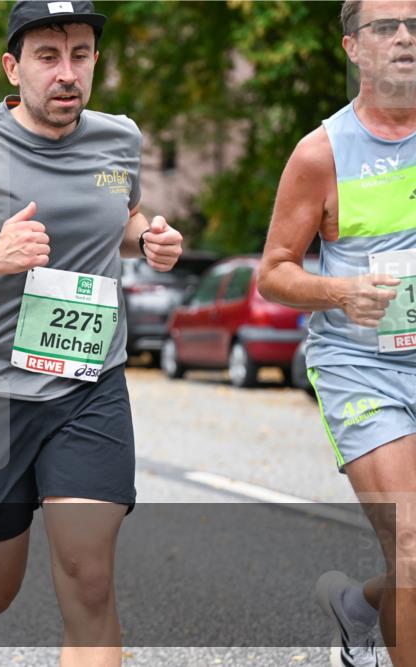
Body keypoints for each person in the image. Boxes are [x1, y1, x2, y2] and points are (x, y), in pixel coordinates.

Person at [0, 3, 184, 665]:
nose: (66, 72)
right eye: (48, 56)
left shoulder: (118, 139)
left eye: (80, 54)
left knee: (90, 576)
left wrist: (149, 238)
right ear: (14, 67)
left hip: (88, 384)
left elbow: (121, 219)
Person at [258, 2, 415, 666]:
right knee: (411, 539)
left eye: (414, 24)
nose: (405, 37)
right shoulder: (321, 153)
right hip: (362, 367)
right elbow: (273, 274)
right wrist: (341, 292)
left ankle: (360, 606)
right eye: (386, 27)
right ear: (353, 48)